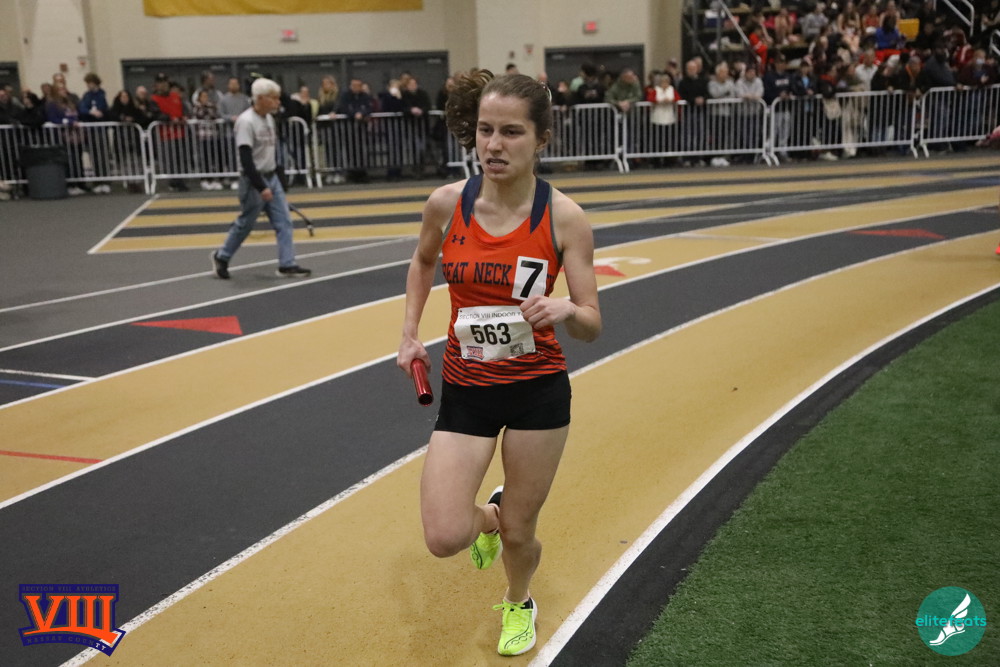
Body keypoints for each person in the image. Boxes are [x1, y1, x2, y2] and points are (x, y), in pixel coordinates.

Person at [396, 69, 601, 657]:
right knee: (444, 536)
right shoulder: (447, 204)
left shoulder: (564, 218)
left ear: (541, 139)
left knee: (520, 531)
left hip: (537, 392)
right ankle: (489, 513)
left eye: (511, 132)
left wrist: (566, 308)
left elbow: (591, 323)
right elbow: (423, 262)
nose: (494, 144)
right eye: (485, 130)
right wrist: (409, 334)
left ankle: (518, 599)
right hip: (468, 388)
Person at [211, 78, 311, 280]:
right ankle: (222, 256)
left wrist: (279, 176)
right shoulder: (246, 121)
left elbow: (272, 151)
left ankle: (287, 264)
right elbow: (246, 158)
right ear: (260, 98)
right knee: (246, 223)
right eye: (273, 98)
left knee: (284, 221)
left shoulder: (269, 119)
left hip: (271, 176)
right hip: (253, 181)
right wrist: (260, 186)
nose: (277, 102)